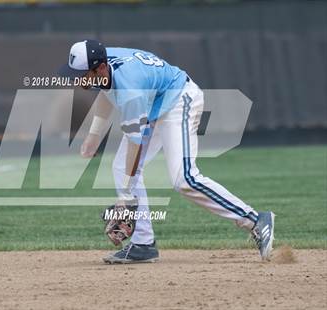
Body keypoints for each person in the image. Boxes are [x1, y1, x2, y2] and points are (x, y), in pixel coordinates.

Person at [60, 39, 275, 264]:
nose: (76, 78)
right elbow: (106, 91)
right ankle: (143, 245)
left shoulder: (130, 88)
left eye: (81, 74)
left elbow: (136, 144)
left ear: (100, 68)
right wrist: (94, 136)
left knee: (184, 178)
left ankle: (255, 220)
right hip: (154, 102)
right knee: (122, 168)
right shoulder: (104, 61)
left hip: (178, 99)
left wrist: (125, 198)